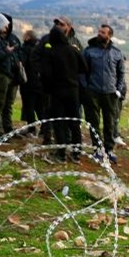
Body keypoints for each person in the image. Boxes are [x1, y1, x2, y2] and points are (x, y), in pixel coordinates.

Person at [40, 25, 86, 163]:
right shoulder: (73, 50)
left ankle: (61, 154)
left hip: (57, 91)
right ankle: (76, 153)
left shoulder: (51, 52)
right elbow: (84, 67)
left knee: (59, 122)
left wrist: (47, 89)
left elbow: (46, 74)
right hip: (73, 91)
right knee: (74, 122)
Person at [82, 24, 124, 164]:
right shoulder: (89, 51)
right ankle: (97, 150)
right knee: (93, 121)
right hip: (93, 92)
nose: (100, 34)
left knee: (109, 122)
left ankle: (109, 150)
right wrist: (86, 87)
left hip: (110, 93)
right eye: (99, 31)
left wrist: (118, 89)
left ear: (109, 35)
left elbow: (121, 73)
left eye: (103, 32)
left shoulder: (117, 53)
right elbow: (82, 71)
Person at [18, 29, 44, 137]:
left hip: (28, 82)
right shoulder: (40, 49)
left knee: (29, 106)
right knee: (40, 107)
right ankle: (45, 128)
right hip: (40, 82)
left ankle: (32, 128)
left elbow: (21, 63)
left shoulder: (25, 49)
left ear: (28, 37)